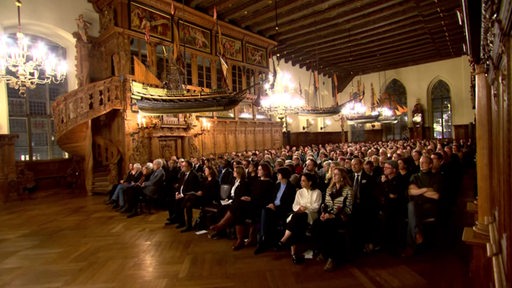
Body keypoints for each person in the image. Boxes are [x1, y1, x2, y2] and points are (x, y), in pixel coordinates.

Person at [312, 167, 353, 271]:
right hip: (329, 215)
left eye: (337, 174)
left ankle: (332, 257)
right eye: (333, 174)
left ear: (342, 177)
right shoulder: (330, 189)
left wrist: (333, 216)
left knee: (329, 226)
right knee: (317, 224)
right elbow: (326, 205)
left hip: (341, 217)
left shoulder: (348, 190)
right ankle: (323, 251)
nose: (334, 176)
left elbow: (348, 209)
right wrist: (323, 213)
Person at [277, 173, 322, 264]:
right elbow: (295, 205)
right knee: (296, 223)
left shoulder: (317, 192)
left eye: (303, 180)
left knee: (297, 218)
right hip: (299, 214)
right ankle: (294, 254)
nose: (301, 182)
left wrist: (305, 208)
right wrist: (299, 209)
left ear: (310, 182)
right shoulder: (299, 192)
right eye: (301, 180)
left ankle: (284, 240)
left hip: (311, 214)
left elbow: (316, 207)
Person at [254, 167, 296, 255]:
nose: (277, 175)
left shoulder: (291, 187)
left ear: (283, 175)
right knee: (265, 211)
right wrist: (272, 204)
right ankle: (264, 240)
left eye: (278, 174)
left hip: (283, 210)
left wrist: (276, 207)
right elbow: (272, 198)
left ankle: (263, 241)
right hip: (274, 207)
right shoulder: (277, 185)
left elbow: (289, 203)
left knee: (266, 213)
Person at [172, 160, 201, 232]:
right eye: (182, 166)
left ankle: (189, 225)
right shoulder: (182, 174)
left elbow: (192, 189)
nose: (182, 167)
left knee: (188, 205)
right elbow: (179, 185)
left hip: (191, 196)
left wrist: (182, 195)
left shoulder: (193, 175)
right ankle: (181, 222)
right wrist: (177, 193)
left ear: (189, 167)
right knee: (175, 201)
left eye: (184, 166)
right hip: (183, 195)